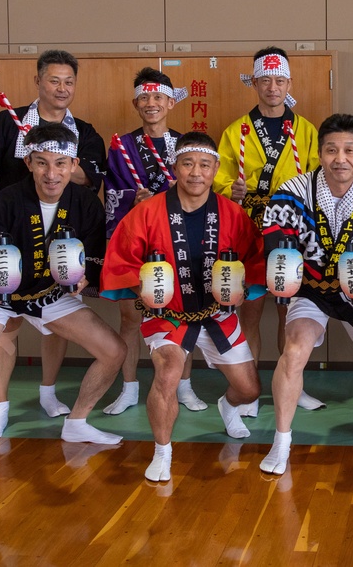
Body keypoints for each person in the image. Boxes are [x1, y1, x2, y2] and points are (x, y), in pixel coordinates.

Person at [0, 124, 124, 479]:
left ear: (74, 164)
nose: (52, 173)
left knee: (114, 351)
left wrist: (83, 279)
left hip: (49, 295)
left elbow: (93, 256)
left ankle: (77, 422)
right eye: (43, 163)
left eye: (61, 164)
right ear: (29, 162)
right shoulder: (5, 201)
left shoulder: (84, 203)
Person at [101, 132, 267, 482]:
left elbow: (255, 260)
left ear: (215, 170)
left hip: (217, 314)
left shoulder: (233, 214)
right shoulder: (147, 212)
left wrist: (241, 290)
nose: (196, 172)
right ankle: (163, 452)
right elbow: (121, 259)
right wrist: (143, 289)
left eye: (204, 165)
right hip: (167, 315)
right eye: (188, 164)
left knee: (250, 389)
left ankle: (227, 406)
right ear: (174, 167)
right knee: (167, 374)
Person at [0, 49, 107, 433]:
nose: (61, 88)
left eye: (68, 81)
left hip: (60, 240)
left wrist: (53, 155)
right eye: (54, 80)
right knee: (5, 328)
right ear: (38, 81)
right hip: (9, 238)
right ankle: (1, 404)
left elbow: (92, 178)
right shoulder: (5, 125)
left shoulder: (85, 133)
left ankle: (47, 391)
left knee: (55, 321)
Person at [259, 114, 353, 475]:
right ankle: (282, 439)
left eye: (349, 150)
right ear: (319, 154)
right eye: (332, 150)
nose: (341, 158)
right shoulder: (292, 192)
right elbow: (277, 249)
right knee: (294, 352)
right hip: (311, 288)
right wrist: (284, 272)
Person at [214, 46, 322, 413]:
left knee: (291, 311)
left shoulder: (306, 130)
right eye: (265, 80)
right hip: (248, 230)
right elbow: (218, 179)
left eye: (279, 80)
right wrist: (232, 190)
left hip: (291, 232)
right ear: (254, 83)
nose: (272, 87)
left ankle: (291, 384)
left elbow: (316, 181)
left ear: (289, 82)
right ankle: (251, 388)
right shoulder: (236, 131)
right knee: (252, 309)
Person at [101, 68, 207, 416]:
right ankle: (129, 387)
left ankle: (184, 387)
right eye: (144, 98)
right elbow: (112, 194)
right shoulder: (121, 147)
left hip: (178, 239)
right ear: (135, 103)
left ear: (171, 101)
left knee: (184, 315)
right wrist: (133, 198)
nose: (151, 104)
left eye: (158, 97)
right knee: (131, 318)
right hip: (137, 242)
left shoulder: (186, 145)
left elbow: (200, 189)